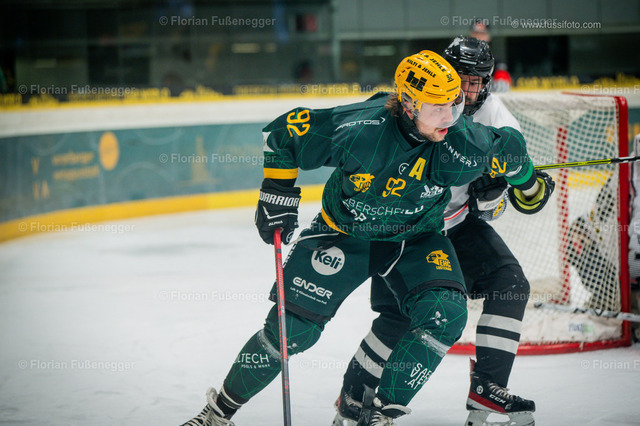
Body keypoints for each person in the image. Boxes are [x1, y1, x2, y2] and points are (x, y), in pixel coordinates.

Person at [180, 49, 553, 426]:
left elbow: (511, 150)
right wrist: (276, 193)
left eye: (454, 105)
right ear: (409, 103)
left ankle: (378, 414)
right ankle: (217, 414)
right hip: (344, 234)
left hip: (415, 239)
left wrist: (530, 187)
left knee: (446, 314)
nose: (449, 117)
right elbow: (285, 133)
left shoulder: (461, 141)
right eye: (437, 107)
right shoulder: (360, 128)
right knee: (290, 331)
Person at [332, 36, 544, 426]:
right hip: (404, 229)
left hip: (455, 225)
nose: (467, 89)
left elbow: (519, 196)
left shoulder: (495, 116)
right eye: (460, 78)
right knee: (399, 314)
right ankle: (354, 396)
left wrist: (499, 190)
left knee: (509, 283)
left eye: (475, 81)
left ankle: (488, 387)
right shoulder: (416, 103)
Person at [469, 19, 512, 93]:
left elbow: (504, 85)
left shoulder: (496, 61)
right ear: (471, 35)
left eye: (482, 33)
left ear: (488, 37)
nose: (479, 37)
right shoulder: (462, 57)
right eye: (476, 33)